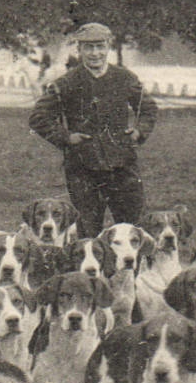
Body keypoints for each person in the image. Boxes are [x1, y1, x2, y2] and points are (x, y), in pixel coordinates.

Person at [28, 22, 159, 238]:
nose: (95, 53)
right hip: (83, 169)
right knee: (88, 232)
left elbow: (148, 108)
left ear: (108, 47)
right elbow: (38, 117)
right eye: (88, 47)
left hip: (122, 167)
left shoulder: (124, 78)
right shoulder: (67, 82)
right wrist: (67, 138)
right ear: (78, 49)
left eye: (100, 46)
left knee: (133, 230)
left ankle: (134, 272)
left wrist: (138, 132)